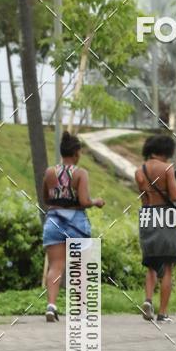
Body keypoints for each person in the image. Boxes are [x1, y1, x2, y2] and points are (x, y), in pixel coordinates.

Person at [42, 131, 105, 322]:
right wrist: (96, 202)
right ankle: (80, 309)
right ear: (76, 153)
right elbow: (84, 201)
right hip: (76, 222)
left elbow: (46, 198)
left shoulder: (49, 172)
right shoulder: (80, 173)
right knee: (80, 266)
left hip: (54, 219)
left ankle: (51, 306)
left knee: (55, 265)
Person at [135, 134, 176, 322]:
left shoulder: (139, 171)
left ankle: (148, 300)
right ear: (165, 151)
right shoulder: (167, 168)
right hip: (165, 217)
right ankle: (162, 312)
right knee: (167, 266)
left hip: (148, 215)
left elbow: (144, 198)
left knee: (151, 264)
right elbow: (175, 196)